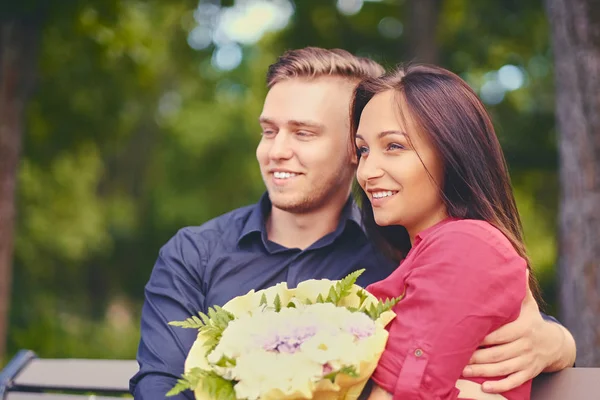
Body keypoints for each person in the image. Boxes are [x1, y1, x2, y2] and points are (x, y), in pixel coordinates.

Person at [129, 48, 576, 400]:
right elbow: (161, 387)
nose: (275, 150)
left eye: (303, 133)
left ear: (350, 146)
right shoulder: (195, 253)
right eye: (269, 131)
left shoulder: (401, 249)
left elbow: (490, 313)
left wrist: (558, 343)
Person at [350, 63, 558, 399]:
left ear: (451, 152)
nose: (367, 171)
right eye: (363, 150)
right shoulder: (430, 252)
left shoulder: (467, 245)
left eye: (394, 146)